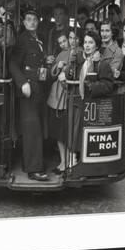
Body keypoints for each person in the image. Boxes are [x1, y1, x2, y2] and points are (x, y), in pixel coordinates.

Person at [9, 8, 49, 182]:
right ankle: (34, 169)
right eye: (29, 19)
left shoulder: (37, 38)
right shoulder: (22, 40)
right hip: (28, 89)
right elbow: (13, 63)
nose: (32, 22)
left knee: (37, 127)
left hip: (39, 88)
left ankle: (35, 164)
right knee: (32, 129)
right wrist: (22, 83)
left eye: (35, 19)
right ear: (24, 23)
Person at [70, 31, 115, 163]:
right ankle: (73, 159)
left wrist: (92, 86)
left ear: (96, 45)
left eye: (90, 42)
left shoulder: (102, 63)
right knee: (75, 132)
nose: (87, 45)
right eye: (85, 42)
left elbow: (108, 85)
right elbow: (71, 75)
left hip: (92, 105)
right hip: (79, 102)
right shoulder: (79, 59)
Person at [47, 33, 73, 174]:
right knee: (58, 131)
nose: (63, 44)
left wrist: (65, 69)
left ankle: (67, 161)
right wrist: (57, 65)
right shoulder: (60, 54)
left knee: (65, 131)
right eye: (60, 42)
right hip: (58, 96)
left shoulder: (75, 52)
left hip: (66, 94)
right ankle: (63, 161)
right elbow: (52, 73)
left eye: (65, 41)